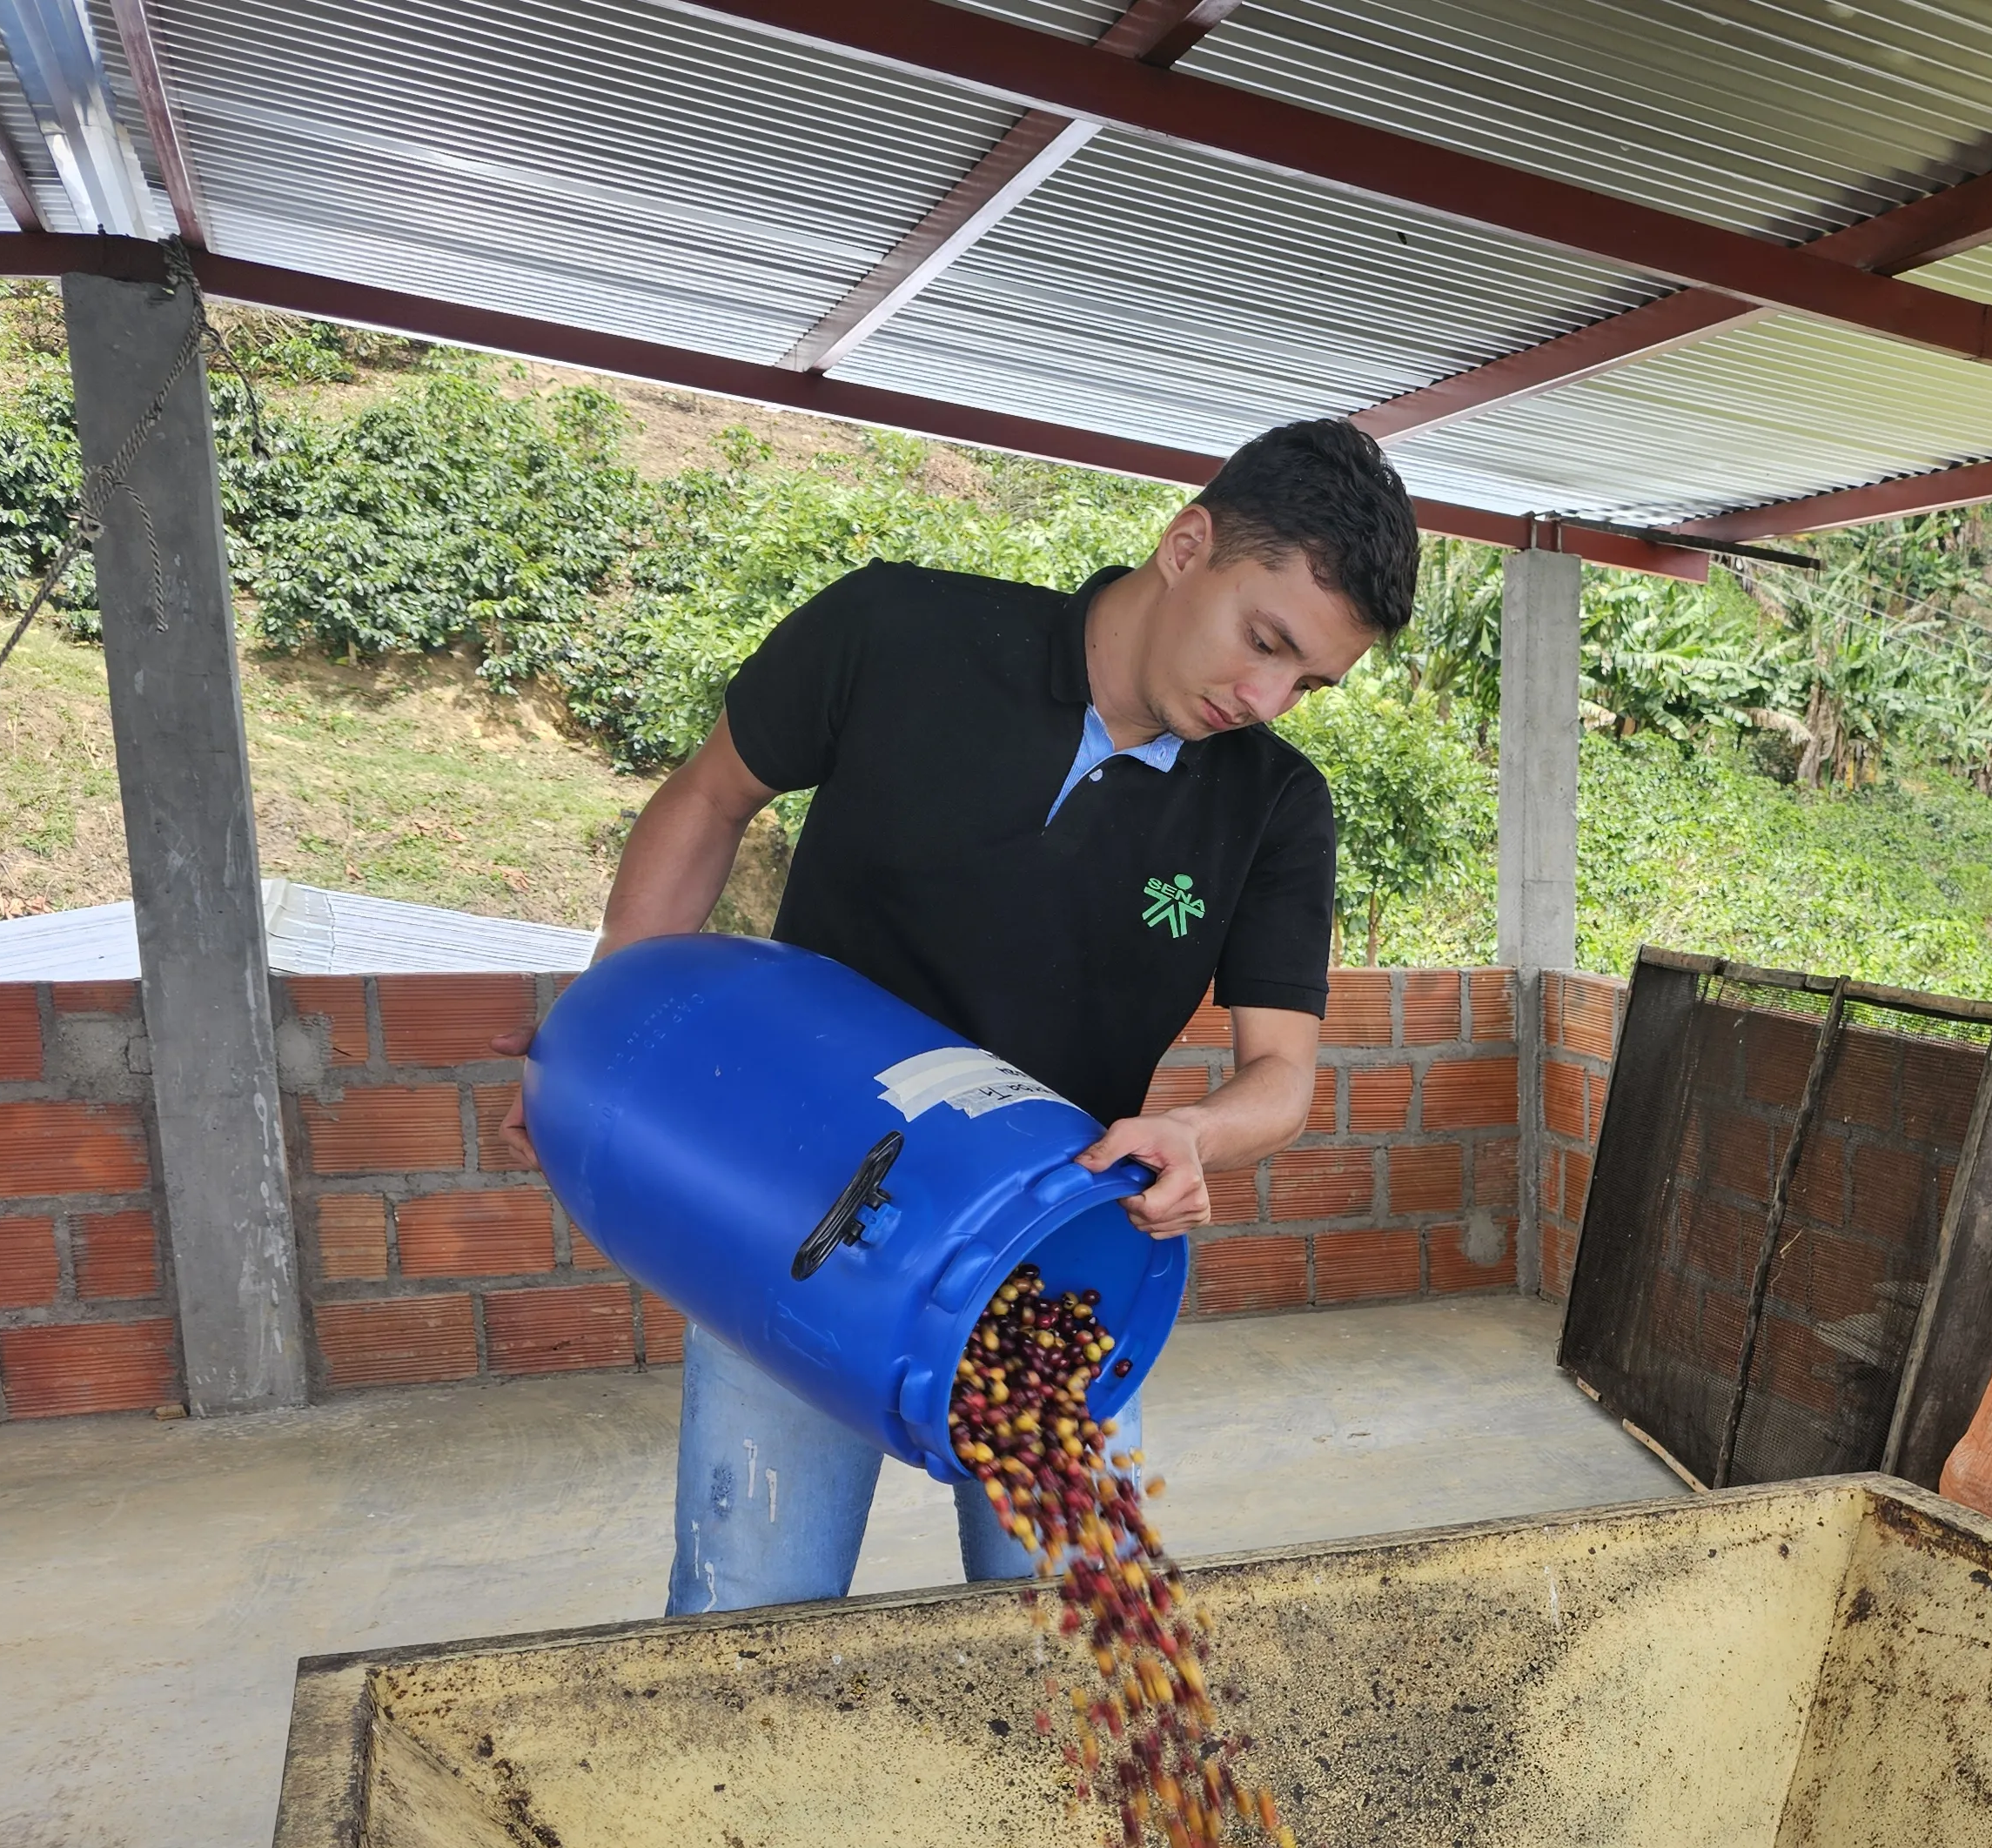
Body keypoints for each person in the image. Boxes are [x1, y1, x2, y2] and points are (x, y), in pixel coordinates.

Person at [508, 418, 1417, 1613]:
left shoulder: (1274, 807)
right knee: (745, 1613)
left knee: (1081, 1629)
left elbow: (1281, 1075)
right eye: (1264, 642)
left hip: (1044, 1255)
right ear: (1187, 544)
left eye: (1308, 684)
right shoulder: (900, 633)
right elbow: (711, 795)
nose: (1266, 697)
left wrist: (1200, 1136)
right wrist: (614, 1036)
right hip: (797, 1215)